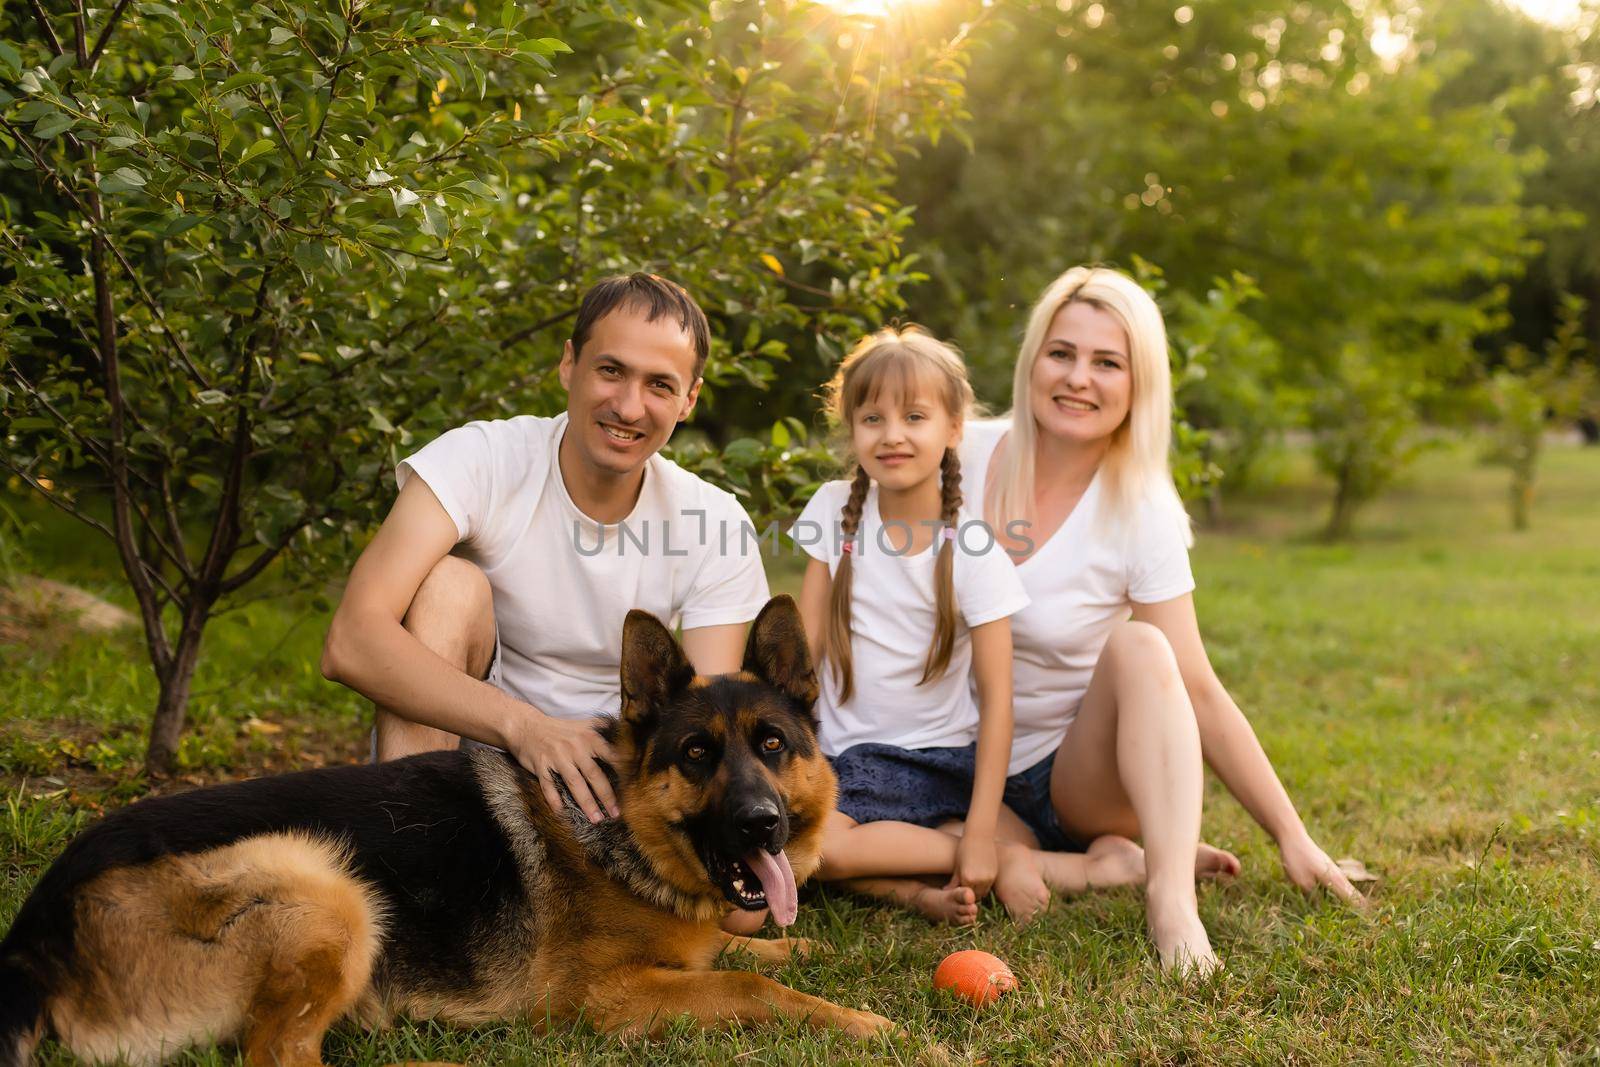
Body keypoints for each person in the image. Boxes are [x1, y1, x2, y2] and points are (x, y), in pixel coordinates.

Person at [957, 265, 1360, 974]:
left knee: (1144, 646)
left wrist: (1293, 836)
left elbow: (1196, 687)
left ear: (1138, 382)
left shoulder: (1141, 509)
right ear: (1032, 360)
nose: (1079, 377)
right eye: (1062, 353)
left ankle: (1169, 898)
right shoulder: (961, 452)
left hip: (1074, 778)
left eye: (1107, 362)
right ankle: (1097, 864)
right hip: (953, 764)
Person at [320, 273, 769, 828]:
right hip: (464, 755)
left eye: (659, 385)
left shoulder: (715, 520)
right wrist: (526, 727)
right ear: (568, 365)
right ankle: (412, 844)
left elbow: (706, 723)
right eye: (611, 370)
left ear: (688, 401)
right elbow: (352, 641)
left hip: (614, 773)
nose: (629, 407)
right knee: (447, 584)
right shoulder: (482, 458)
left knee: (743, 919)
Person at [792, 326, 1149, 925]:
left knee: (824, 851)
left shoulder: (975, 551)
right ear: (851, 427)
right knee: (816, 848)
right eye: (872, 418)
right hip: (844, 758)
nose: (893, 435)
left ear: (954, 429)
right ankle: (953, 883)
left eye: (914, 416)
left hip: (936, 763)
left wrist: (981, 831)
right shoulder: (833, 510)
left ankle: (1036, 859)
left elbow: (999, 703)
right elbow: (799, 659)